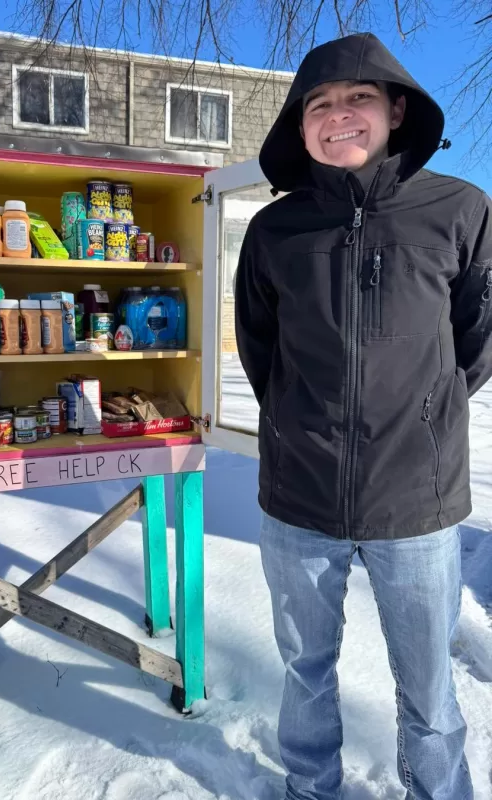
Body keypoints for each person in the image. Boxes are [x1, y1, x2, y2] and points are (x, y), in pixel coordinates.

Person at [235, 32, 492, 800]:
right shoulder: (276, 230)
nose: (338, 115)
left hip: (416, 501)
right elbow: (260, 348)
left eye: (359, 98)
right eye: (319, 103)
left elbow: (478, 338)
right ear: (299, 122)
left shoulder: (460, 210)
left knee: (429, 689)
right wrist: (298, 425)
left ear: (396, 111)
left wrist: (426, 415)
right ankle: (310, 787)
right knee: (305, 671)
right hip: (299, 499)